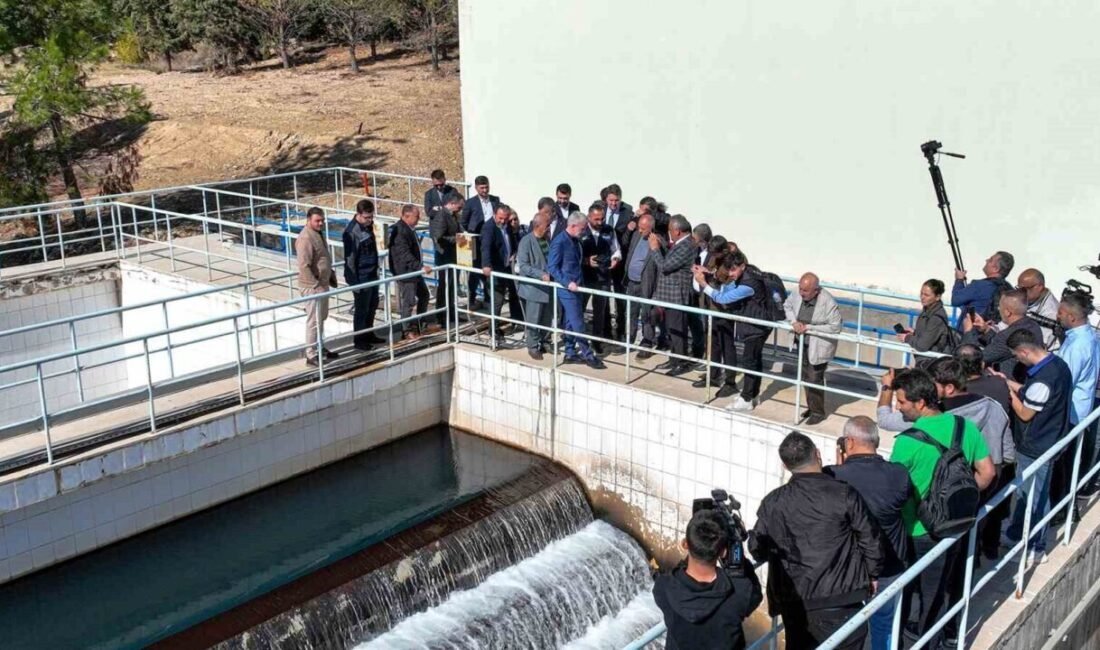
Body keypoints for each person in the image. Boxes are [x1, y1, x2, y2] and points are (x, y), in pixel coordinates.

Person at [887, 368, 995, 644]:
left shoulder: (907, 442)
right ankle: (931, 641)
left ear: (920, 403)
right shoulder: (964, 427)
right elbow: (987, 473)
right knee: (935, 596)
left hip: (917, 532)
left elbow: (893, 492)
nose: (898, 408)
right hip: (954, 526)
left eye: (901, 402)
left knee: (905, 595)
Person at [749, 431, 884, 650]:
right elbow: (871, 538)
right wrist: (873, 573)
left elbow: (757, 549)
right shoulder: (844, 494)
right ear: (818, 454)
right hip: (844, 598)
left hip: (797, 605)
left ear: (785, 466)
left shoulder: (773, 502)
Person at [826, 416, 913, 650]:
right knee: (884, 623)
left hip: (847, 570)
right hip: (890, 564)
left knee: (844, 628)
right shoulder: (899, 474)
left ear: (849, 442)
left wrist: (839, 468)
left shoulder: (833, 476)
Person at [999, 328, 1073, 567]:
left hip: (1037, 446)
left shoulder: (1043, 379)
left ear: (1024, 351)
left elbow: (1026, 412)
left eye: (1016, 356)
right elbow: (1033, 395)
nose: (1017, 360)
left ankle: (1036, 547)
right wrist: (1008, 382)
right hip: (1050, 438)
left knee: (1036, 497)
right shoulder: (1058, 366)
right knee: (1025, 493)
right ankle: (1014, 535)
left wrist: (1008, 393)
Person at [654, 509, 763, 650]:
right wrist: (736, 557)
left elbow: (678, 573)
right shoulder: (740, 591)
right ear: (723, 551)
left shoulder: (663, 587)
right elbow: (755, 594)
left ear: (685, 544)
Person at [954, 343, 1016, 558]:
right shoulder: (999, 384)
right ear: (981, 364)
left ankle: (970, 555)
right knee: (995, 508)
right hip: (999, 456)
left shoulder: (960, 395)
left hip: (973, 461)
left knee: (970, 512)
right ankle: (989, 548)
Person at [693, 251, 772, 412]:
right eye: (728, 270)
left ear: (742, 266)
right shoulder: (747, 273)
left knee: (750, 361)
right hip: (754, 323)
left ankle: (747, 399)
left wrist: (704, 285)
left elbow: (724, 298)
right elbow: (727, 289)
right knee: (754, 361)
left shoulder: (748, 284)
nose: (730, 274)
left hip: (757, 326)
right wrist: (712, 276)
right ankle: (752, 394)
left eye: (733, 270)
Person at [1050, 293, 1100, 512]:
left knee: (1063, 466)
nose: (1057, 316)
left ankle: (1060, 510)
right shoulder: (1085, 336)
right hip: (1075, 410)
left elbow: (1064, 379)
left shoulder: (1079, 345)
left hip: (1069, 412)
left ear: (1071, 316)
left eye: (1060, 312)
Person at [548, 212, 605, 369]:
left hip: (578, 286)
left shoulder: (575, 241)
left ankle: (570, 351)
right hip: (568, 289)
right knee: (578, 321)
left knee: (570, 321)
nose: (584, 231)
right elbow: (552, 267)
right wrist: (567, 283)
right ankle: (588, 355)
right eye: (582, 228)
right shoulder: (560, 242)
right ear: (572, 226)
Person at [784, 272, 843, 425]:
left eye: (805, 291)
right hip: (802, 342)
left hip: (819, 346)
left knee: (814, 377)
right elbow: (787, 305)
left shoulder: (828, 301)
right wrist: (793, 322)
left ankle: (818, 412)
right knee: (805, 376)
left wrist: (808, 328)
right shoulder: (797, 293)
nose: (801, 293)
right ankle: (811, 407)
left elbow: (835, 327)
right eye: (800, 289)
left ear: (816, 290)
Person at [961, 289, 1043, 381]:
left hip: (1009, 384)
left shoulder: (1008, 334)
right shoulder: (1034, 326)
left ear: (1008, 312)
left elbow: (975, 358)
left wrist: (968, 331)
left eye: (1000, 306)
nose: (998, 309)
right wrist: (986, 330)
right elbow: (1001, 346)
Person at [652, 215, 697, 376]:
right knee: (671, 329)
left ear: (677, 231)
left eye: (670, 230)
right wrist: (662, 243)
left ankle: (681, 361)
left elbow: (665, 266)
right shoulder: (681, 243)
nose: (669, 233)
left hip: (677, 296)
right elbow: (671, 256)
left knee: (678, 331)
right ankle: (674, 358)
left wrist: (655, 249)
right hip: (669, 295)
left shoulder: (686, 246)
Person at [296, 206, 339, 366]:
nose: (321, 223)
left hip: (322, 283)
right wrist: (314, 285)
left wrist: (329, 276)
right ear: (309, 220)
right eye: (317, 220)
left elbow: (322, 258)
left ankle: (319, 347)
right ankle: (311, 354)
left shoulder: (317, 234)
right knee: (313, 320)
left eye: (322, 220)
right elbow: (304, 264)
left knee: (321, 318)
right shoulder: (306, 238)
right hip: (313, 286)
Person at [622, 212, 666, 359]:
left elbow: (661, 268)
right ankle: (629, 339)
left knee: (646, 315)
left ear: (651, 228)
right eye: (639, 228)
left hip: (646, 285)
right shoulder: (636, 235)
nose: (640, 231)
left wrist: (657, 290)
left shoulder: (658, 242)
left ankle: (647, 342)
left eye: (643, 229)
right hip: (631, 282)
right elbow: (627, 248)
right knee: (631, 313)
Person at [579, 200, 621, 354]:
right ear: (589, 217)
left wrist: (616, 258)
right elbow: (572, 254)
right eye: (596, 219)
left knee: (600, 313)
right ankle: (577, 339)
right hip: (584, 277)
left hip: (603, 277)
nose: (600, 222)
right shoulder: (581, 230)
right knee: (579, 309)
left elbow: (616, 249)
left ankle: (597, 342)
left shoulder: (609, 230)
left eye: (602, 218)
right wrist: (586, 261)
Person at [388, 204, 434, 340]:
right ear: (407, 216)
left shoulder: (408, 228)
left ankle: (421, 324)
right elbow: (403, 254)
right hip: (406, 272)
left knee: (424, 295)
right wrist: (419, 267)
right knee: (408, 302)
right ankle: (406, 330)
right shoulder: (400, 231)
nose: (419, 219)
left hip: (414, 270)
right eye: (417, 216)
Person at [342, 199, 383, 351]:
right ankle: (360, 340)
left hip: (372, 272)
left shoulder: (368, 226)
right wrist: (354, 282)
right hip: (361, 276)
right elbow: (350, 259)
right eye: (367, 217)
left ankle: (369, 333)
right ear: (358, 215)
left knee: (372, 305)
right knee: (362, 309)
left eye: (371, 217)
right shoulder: (351, 232)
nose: (370, 220)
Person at [515, 211, 553, 360]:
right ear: (538, 225)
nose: (549, 228)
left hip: (547, 287)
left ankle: (545, 341)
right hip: (533, 289)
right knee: (533, 319)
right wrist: (540, 274)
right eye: (547, 225)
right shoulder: (526, 241)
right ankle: (532, 345)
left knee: (547, 317)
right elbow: (523, 266)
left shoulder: (546, 240)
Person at [480, 204, 523, 332]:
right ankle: (493, 329)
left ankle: (517, 321)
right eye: (500, 218)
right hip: (496, 269)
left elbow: (511, 241)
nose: (503, 221)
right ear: (494, 215)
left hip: (508, 267)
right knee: (497, 299)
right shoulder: (489, 228)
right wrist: (486, 265)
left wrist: (514, 252)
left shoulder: (506, 226)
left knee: (514, 294)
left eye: (505, 218)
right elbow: (485, 247)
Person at [460, 175, 500, 310]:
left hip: (492, 241)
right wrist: (472, 232)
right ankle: (471, 299)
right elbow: (463, 222)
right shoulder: (470, 203)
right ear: (476, 188)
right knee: (476, 272)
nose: (485, 190)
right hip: (476, 242)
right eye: (482, 188)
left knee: (489, 269)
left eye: (486, 187)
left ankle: (489, 299)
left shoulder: (495, 200)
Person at [603, 184, 634, 342]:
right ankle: (605, 328)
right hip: (602, 261)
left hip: (619, 263)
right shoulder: (599, 210)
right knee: (603, 294)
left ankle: (621, 328)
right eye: (611, 200)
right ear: (606, 199)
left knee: (620, 297)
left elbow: (627, 240)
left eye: (616, 201)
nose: (613, 204)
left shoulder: (627, 214)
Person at [951, 250, 1015, 326]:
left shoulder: (979, 285)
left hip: (971, 333)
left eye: (990, 260)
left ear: (996, 269)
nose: (986, 260)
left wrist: (959, 279)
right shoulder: (1010, 290)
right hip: (992, 334)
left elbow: (955, 300)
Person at [429, 193, 463, 327]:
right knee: (445, 287)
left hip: (453, 256)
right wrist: (455, 239)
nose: (460, 210)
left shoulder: (453, 215)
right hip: (445, 256)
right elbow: (438, 237)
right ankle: (441, 316)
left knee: (452, 287)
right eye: (459, 207)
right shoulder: (442, 216)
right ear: (452, 204)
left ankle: (451, 313)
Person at [898, 279, 954, 356]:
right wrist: (914, 333)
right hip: (924, 360)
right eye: (921, 293)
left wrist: (907, 338)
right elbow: (928, 335)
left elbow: (922, 346)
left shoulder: (937, 317)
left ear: (937, 297)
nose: (922, 297)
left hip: (932, 362)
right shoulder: (927, 310)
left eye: (926, 295)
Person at [1014, 268, 1060, 348]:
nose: (1020, 293)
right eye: (1018, 289)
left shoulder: (1051, 312)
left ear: (1039, 287)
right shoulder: (1028, 299)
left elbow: (1042, 344)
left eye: (1024, 289)